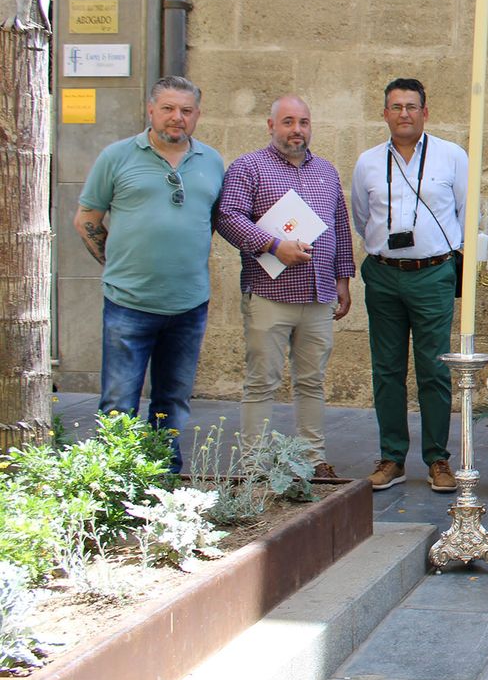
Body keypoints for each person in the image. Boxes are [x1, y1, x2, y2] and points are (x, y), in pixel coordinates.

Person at [73, 76, 225, 468]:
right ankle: (117, 481)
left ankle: (163, 476)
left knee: (172, 400)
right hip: (129, 304)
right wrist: (119, 264)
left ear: (197, 115)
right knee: (119, 401)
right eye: (169, 109)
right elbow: (87, 217)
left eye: (186, 111)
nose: (178, 118)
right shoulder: (117, 156)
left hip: (189, 304)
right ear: (151, 110)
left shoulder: (211, 161)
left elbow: (209, 220)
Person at [215, 96, 355, 478]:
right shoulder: (249, 167)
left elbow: (339, 228)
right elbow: (228, 217)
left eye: (304, 122)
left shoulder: (326, 172)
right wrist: (275, 245)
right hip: (269, 294)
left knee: (312, 382)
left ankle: (312, 458)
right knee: (262, 381)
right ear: (271, 125)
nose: (297, 130)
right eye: (289, 121)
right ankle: (254, 463)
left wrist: (342, 279)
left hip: (318, 295)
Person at [350, 78, 468, 493]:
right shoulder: (367, 162)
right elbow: (361, 217)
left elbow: (464, 212)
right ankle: (391, 457)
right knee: (386, 369)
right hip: (383, 273)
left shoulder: (451, 157)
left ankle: (438, 458)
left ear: (425, 112)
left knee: (434, 369)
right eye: (396, 106)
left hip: (433, 272)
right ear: (384, 113)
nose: (404, 113)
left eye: (412, 106)